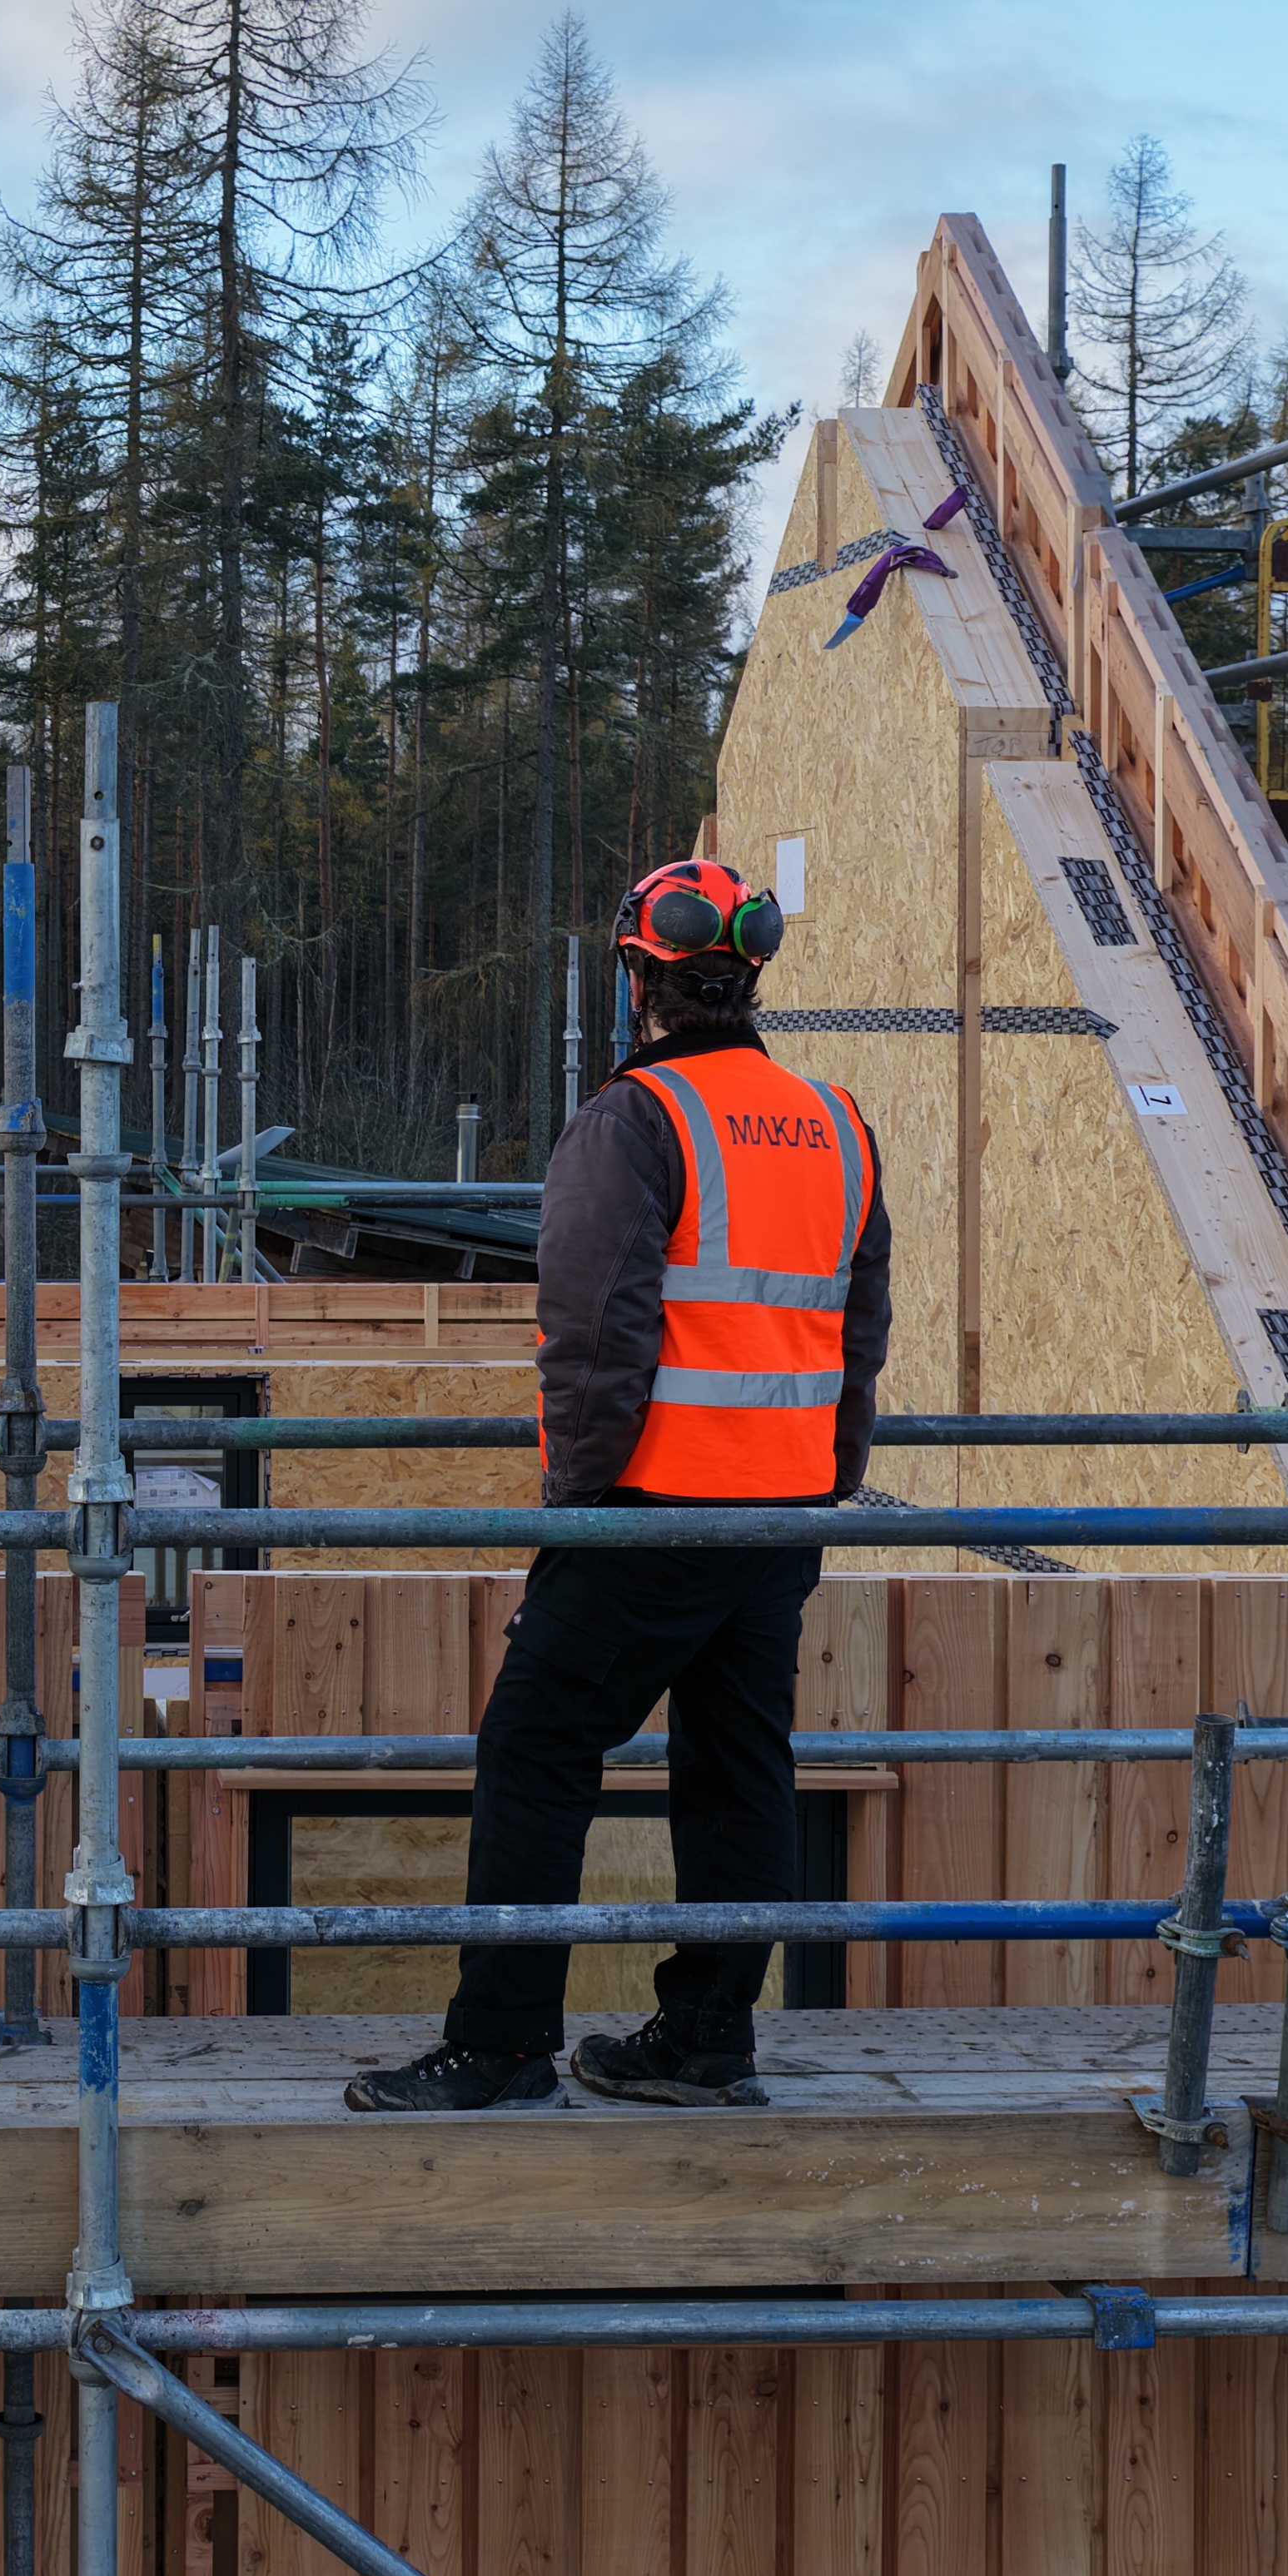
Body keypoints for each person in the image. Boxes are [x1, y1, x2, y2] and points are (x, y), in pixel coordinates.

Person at [350, 856, 891, 2113]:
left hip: (650, 1506)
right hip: (781, 1513)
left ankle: (499, 2043)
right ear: (751, 976)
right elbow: (859, 1336)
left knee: (537, 1754)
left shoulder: (633, 1120)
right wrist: (823, 1476)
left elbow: (596, 1335)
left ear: (638, 978)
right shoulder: (836, 1120)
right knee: (741, 1766)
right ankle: (707, 2038)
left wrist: (577, 1507)